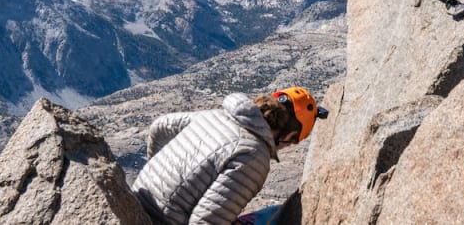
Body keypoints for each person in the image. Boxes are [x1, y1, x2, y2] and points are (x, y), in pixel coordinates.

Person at [131, 86, 328, 225]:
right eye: (291, 142)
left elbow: (159, 126)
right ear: (289, 134)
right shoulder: (253, 155)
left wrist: (155, 171)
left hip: (136, 199)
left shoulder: (214, 116)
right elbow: (205, 222)